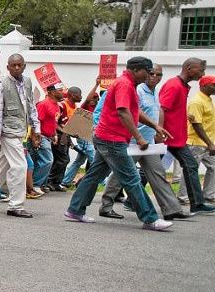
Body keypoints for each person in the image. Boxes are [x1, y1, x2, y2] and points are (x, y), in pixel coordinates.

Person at [64, 57, 174, 231]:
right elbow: (123, 112)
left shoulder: (129, 85)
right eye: (148, 71)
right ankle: (150, 218)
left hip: (106, 137)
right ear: (138, 70)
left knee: (94, 175)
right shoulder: (124, 85)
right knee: (132, 178)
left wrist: (155, 125)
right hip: (111, 140)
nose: (150, 76)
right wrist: (138, 137)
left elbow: (134, 112)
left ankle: (75, 210)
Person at [98, 65, 186, 220]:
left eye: (159, 74)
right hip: (133, 140)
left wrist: (157, 129)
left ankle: (171, 208)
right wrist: (138, 136)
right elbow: (130, 112)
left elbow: (157, 112)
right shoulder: (137, 89)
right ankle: (106, 206)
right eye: (151, 73)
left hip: (149, 142)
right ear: (145, 74)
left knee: (158, 173)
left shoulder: (155, 93)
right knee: (122, 175)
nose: (154, 76)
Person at [0, 54, 41, 218]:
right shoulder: (0, 85)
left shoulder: (27, 82)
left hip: (20, 131)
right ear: (8, 67)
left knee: (2, 167)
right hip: (7, 132)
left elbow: (30, 106)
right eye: (13, 65)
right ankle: (15, 205)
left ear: (24, 66)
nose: (16, 68)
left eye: (19, 65)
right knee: (19, 166)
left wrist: (36, 128)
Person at [159, 58, 215, 215]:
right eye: (201, 70)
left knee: (190, 166)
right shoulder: (174, 85)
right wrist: (159, 132)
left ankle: (197, 203)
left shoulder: (182, 86)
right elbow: (162, 109)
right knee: (152, 170)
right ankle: (129, 200)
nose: (202, 74)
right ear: (189, 68)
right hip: (167, 137)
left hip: (178, 138)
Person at [183, 74, 215, 203]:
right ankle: (183, 197)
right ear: (204, 86)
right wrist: (209, 143)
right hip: (196, 143)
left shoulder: (207, 99)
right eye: (213, 85)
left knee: (213, 167)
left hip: (207, 143)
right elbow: (196, 124)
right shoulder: (197, 101)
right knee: (191, 170)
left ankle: (208, 194)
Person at [33, 85, 65, 191]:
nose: (63, 92)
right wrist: (36, 138)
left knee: (42, 161)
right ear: (51, 92)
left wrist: (54, 134)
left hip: (49, 137)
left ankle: (40, 184)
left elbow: (53, 121)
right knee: (48, 160)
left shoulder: (56, 105)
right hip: (41, 136)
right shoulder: (43, 104)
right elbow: (37, 121)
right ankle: (35, 185)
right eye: (60, 90)